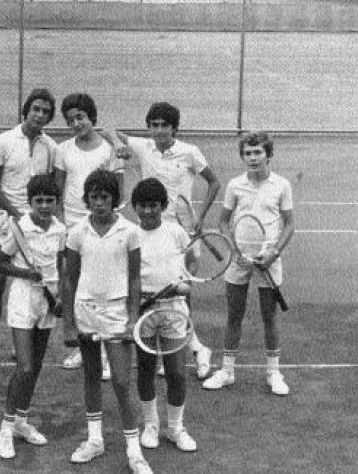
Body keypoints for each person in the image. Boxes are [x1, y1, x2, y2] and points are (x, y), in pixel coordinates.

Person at [110, 102, 220, 379]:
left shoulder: (190, 152)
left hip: (180, 234)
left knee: (181, 294)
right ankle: (192, 348)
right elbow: (107, 130)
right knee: (154, 290)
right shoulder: (143, 146)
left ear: (174, 128)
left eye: (164, 125)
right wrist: (118, 144)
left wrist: (200, 216)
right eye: (154, 125)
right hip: (150, 228)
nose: (159, 130)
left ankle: (192, 348)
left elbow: (214, 182)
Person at [62, 170, 151, 473]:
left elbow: (135, 279)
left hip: (116, 314)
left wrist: (133, 319)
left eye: (104, 197)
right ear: (86, 200)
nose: (99, 203)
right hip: (85, 311)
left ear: (115, 199)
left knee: (122, 382)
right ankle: (95, 440)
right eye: (94, 197)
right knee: (91, 376)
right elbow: (70, 279)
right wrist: (69, 324)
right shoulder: (76, 232)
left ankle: (134, 451)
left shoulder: (130, 231)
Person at [203, 131, 295, 396]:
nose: (253, 158)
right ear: (243, 156)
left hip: (268, 260)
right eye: (248, 153)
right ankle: (227, 371)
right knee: (234, 315)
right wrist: (234, 250)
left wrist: (273, 253)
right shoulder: (235, 185)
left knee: (269, 317)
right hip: (239, 260)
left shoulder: (282, 185)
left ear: (268, 155)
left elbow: (289, 224)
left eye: (258, 152)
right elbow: (223, 222)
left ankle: (273, 373)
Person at [0, 175, 66, 459]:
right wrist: (25, 273)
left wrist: (60, 297)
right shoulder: (20, 227)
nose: (44, 206)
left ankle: (21, 422)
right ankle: (5, 428)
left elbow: (59, 266)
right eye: (39, 201)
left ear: (57, 202)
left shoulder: (60, 229)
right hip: (23, 296)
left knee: (35, 366)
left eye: (49, 201)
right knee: (24, 367)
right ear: (30, 202)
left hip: (48, 298)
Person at [0, 88, 57, 366]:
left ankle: (22, 343)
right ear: (26, 111)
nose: (39, 115)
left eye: (45, 112)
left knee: (32, 282)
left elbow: (48, 188)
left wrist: (36, 218)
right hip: (4, 222)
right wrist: (14, 213)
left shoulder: (51, 147)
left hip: (35, 226)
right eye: (35, 109)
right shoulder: (4, 141)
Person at [53, 92, 121, 378]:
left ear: (91, 117)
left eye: (80, 117)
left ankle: (105, 351)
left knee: (101, 286)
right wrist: (61, 223)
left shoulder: (108, 149)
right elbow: (58, 190)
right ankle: (85, 346)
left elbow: (118, 190)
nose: (76, 124)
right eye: (70, 120)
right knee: (75, 286)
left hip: (101, 227)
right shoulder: (63, 150)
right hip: (72, 226)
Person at [132, 178, 198, 453]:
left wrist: (186, 282)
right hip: (143, 310)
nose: (148, 211)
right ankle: (150, 425)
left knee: (177, 373)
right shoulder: (130, 235)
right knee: (146, 369)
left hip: (173, 309)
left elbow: (191, 262)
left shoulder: (176, 232)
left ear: (163, 206)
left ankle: (175, 427)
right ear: (135, 207)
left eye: (154, 205)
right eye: (143, 206)